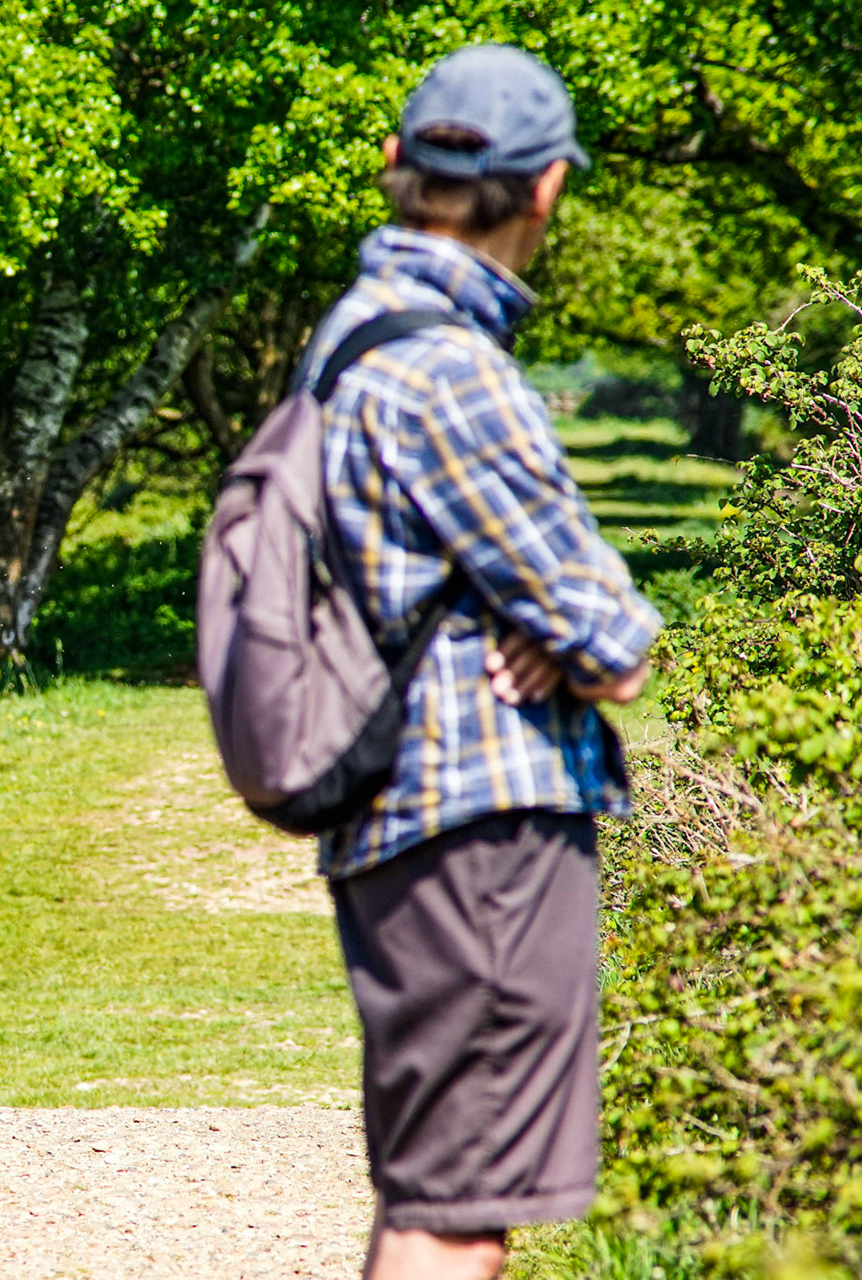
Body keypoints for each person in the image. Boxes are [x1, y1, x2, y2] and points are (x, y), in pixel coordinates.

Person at [297, 45, 663, 1280]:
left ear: (395, 162)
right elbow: (614, 641)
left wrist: (529, 622)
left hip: (397, 812)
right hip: (480, 828)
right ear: (547, 186)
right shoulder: (451, 369)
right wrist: (558, 636)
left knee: (433, 1189)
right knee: (460, 1213)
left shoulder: (351, 334)